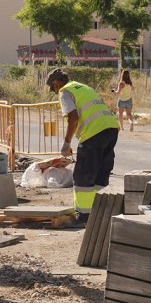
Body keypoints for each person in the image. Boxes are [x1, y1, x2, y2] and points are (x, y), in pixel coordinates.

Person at [48, 68, 120, 220]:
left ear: (56, 83)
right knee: (100, 173)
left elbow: (73, 118)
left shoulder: (65, 91)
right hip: (111, 129)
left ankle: (84, 215)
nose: (55, 91)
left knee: (83, 175)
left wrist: (66, 143)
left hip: (94, 133)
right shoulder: (83, 87)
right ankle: (100, 212)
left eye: (54, 87)